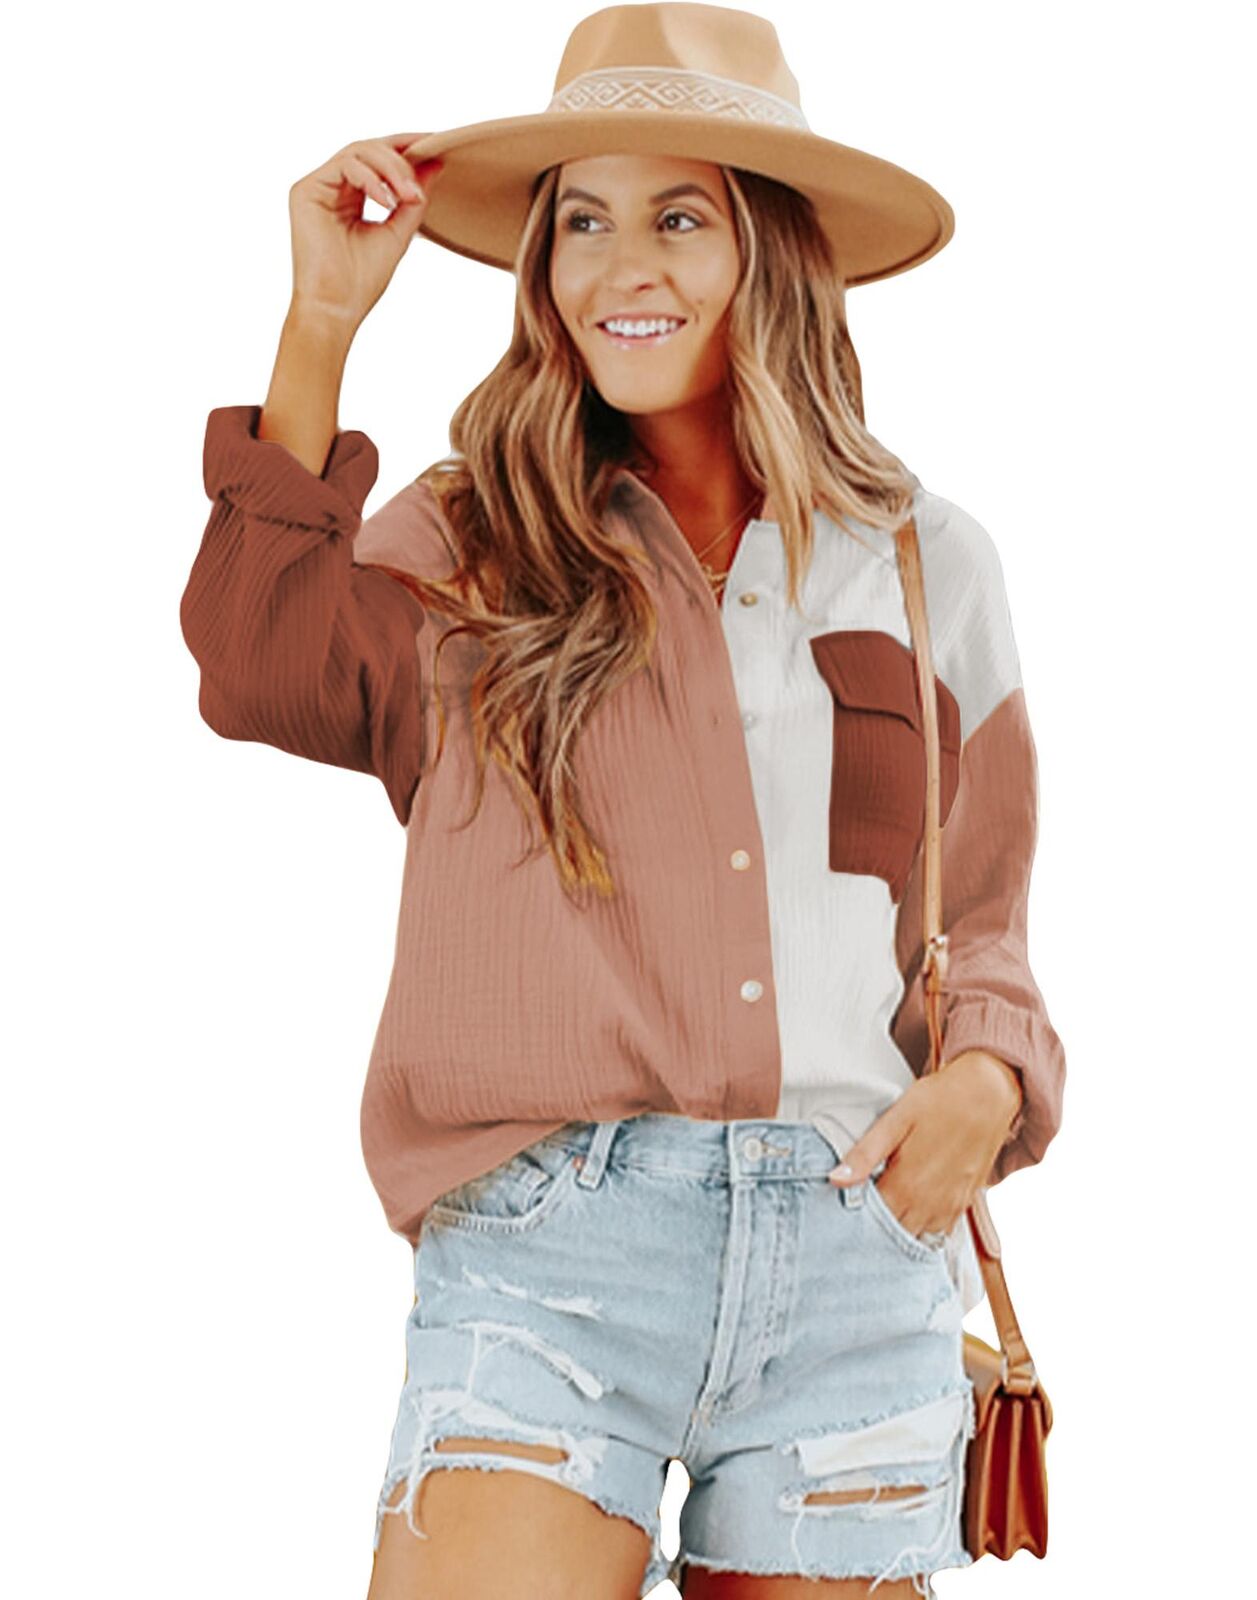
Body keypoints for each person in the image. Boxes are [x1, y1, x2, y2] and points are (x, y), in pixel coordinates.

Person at [179, 6, 1066, 1597]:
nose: (618, 268)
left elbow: (981, 904)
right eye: (582, 221)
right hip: (548, 1258)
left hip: (856, 1260)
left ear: (773, 251)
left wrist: (989, 1089)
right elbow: (259, 665)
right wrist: (320, 323)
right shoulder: (470, 538)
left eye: (678, 218)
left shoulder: (929, 562)